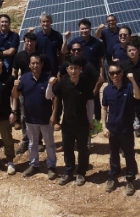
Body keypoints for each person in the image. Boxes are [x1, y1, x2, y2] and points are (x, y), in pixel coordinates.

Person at [50, 57, 93, 186]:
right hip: (67, 123)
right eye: (71, 68)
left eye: (76, 68)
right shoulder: (62, 84)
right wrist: (50, 84)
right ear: (67, 70)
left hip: (82, 123)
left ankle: (81, 173)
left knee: (82, 149)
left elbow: (90, 103)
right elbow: (50, 95)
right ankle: (68, 171)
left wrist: (91, 120)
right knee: (68, 148)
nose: (73, 71)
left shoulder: (86, 83)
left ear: (81, 69)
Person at [102, 61, 140, 196]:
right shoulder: (107, 90)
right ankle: (113, 177)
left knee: (129, 154)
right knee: (113, 155)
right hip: (112, 128)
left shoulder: (129, 87)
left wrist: (133, 80)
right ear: (109, 74)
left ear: (122, 73)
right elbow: (104, 108)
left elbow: (138, 96)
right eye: (112, 73)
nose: (115, 75)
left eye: (118, 72)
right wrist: (103, 126)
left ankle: (130, 179)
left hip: (126, 128)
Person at [16, 53, 58, 180]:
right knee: (32, 143)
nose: (35, 65)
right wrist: (14, 85)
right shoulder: (23, 79)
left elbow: (55, 98)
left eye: (37, 63)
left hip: (46, 118)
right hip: (30, 118)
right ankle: (34, 165)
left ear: (42, 64)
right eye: (33, 63)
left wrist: (54, 115)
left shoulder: (49, 79)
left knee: (49, 143)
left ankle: (51, 166)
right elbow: (15, 95)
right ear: (29, 65)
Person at [63, 18, 105, 124]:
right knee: (80, 99)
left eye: (86, 28)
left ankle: (97, 121)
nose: (84, 31)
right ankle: (82, 120)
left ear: (90, 29)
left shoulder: (96, 42)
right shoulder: (75, 42)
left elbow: (101, 59)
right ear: (79, 30)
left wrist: (101, 73)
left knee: (95, 98)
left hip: (92, 74)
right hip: (78, 75)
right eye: (82, 29)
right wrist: (66, 39)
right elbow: (64, 51)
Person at [31, 11, 63, 76]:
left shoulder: (57, 35)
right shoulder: (36, 36)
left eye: (48, 21)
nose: (46, 23)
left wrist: (61, 67)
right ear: (40, 23)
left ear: (51, 22)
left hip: (54, 68)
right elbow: (31, 52)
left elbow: (61, 52)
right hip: (41, 69)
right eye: (43, 22)